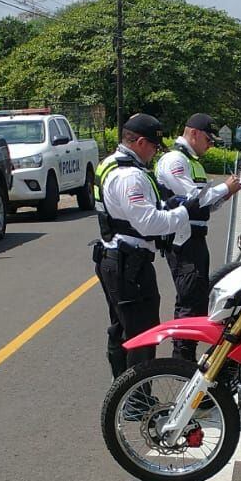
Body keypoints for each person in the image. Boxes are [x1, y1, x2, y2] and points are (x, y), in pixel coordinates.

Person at [92, 113, 190, 378]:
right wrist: (183, 213)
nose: (156, 153)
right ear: (141, 143)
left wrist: (165, 206)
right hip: (128, 262)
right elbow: (148, 223)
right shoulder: (129, 176)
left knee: (122, 328)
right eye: (155, 147)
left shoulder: (110, 164)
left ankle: (123, 391)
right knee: (143, 332)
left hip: (116, 257)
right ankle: (135, 398)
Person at [156, 112, 241, 358]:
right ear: (193, 133)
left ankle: (186, 355)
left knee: (196, 300)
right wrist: (224, 187)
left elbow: (206, 205)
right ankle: (181, 358)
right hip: (182, 239)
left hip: (195, 238)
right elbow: (195, 196)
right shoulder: (175, 160)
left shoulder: (193, 161)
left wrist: (227, 194)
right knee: (189, 301)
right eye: (208, 138)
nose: (210, 144)